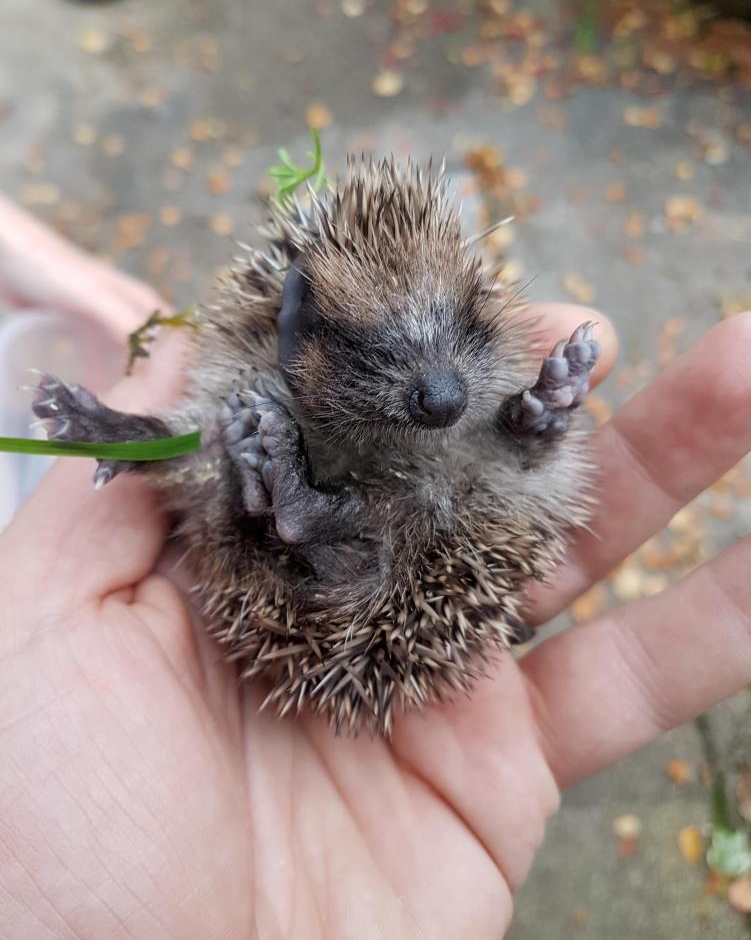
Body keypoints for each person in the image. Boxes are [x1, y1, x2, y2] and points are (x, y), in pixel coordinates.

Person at [1, 207, 751, 939]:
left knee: (473, 479)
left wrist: (521, 419)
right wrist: (127, 431)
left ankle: (337, 509)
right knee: (232, 451)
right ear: (296, 325)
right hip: (316, 579)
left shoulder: (461, 373)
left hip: (415, 548)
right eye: (368, 350)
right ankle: (323, 520)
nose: (442, 390)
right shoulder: (253, 359)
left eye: (454, 334)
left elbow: (505, 485)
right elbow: (193, 443)